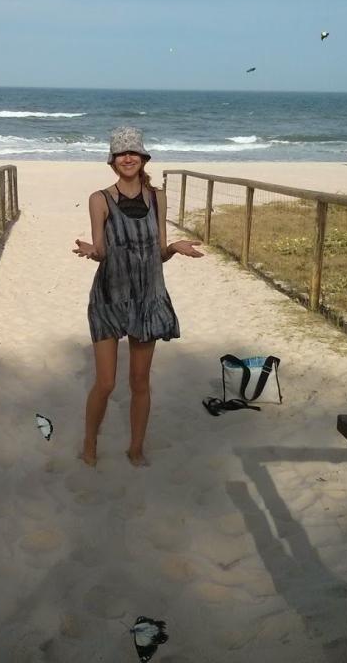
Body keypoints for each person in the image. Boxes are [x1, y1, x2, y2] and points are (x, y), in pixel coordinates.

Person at [72, 127, 204, 467]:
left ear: (143, 158)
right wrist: (92, 252)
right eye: (121, 153)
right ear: (113, 161)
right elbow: (102, 250)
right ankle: (90, 442)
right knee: (105, 383)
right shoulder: (99, 199)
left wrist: (174, 246)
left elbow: (158, 251)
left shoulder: (157, 197)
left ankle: (136, 447)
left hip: (147, 298)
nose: (127, 157)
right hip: (109, 298)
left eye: (133, 152)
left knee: (139, 381)